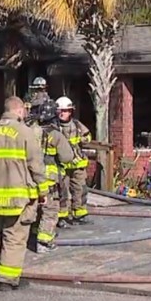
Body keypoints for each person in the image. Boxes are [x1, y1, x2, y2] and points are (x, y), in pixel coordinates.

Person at [0, 96, 48, 291]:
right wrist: (43, 190)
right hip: (17, 199)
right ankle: (7, 280)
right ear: (18, 111)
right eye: (24, 110)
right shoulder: (25, 133)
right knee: (14, 238)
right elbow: (36, 166)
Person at [27, 99, 76, 252]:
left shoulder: (28, 132)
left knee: (33, 207)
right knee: (50, 210)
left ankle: (31, 235)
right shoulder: (55, 135)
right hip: (49, 179)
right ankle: (44, 241)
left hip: (29, 177)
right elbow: (67, 157)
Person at [54, 96, 92, 227]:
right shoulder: (54, 127)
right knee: (61, 191)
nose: (63, 113)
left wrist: (84, 139)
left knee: (80, 189)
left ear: (71, 111)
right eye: (61, 110)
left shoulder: (76, 124)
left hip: (77, 164)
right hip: (61, 165)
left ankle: (79, 213)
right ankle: (61, 215)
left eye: (66, 110)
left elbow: (88, 136)